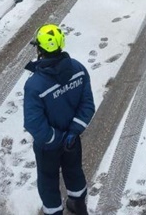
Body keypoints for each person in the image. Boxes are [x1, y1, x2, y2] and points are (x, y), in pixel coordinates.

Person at [24, 24, 95, 215]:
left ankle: (54, 211)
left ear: (40, 49)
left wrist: (54, 139)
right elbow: (87, 105)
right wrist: (72, 133)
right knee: (74, 171)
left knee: (48, 180)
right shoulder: (78, 69)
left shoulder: (35, 85)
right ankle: (78, 206)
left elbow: (33, 122)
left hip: (48, 146)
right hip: (72, 140)